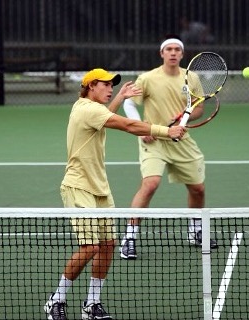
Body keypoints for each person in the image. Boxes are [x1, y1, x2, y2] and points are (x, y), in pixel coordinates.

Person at [44, 68, 186, 320]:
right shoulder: (86, 109)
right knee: (89, 247)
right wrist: (166, 131)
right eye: (106, 84)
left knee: (108, 245)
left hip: (100, 189)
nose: (110, 88)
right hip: (78, 187)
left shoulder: (93, 109)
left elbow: (108, 115)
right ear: (90, 86)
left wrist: (119, 98)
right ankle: (56, 299)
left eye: (113, 85)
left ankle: (92, 304)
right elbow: (128, 124)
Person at [119, 35, 218, 260]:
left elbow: (199, 109)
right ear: (162, 53)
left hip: (182, 140)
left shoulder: (191, 77)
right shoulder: (147, 79)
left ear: (182, 54)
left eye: (177, 50)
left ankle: (195, 231)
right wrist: (142, 128)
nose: (173, 53)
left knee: (198, 189)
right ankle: (129, 238)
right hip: (153, 140)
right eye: (169, 49)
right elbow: (128, 103)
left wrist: (186, 114)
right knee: (151, 184)